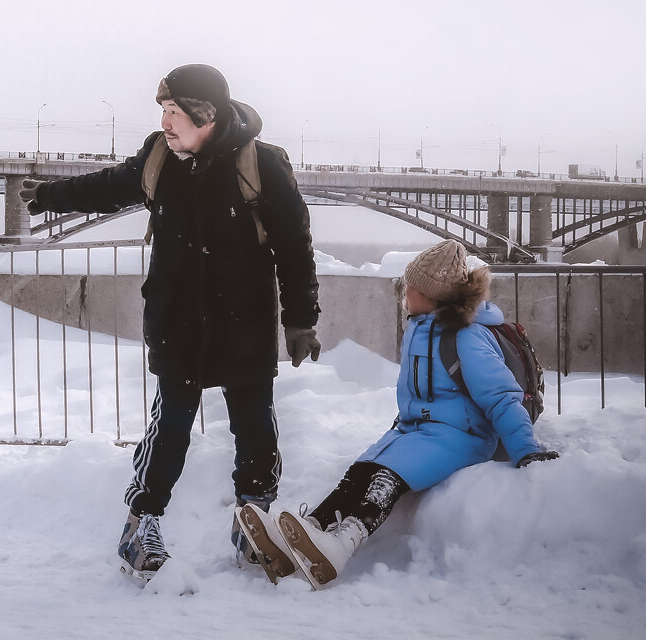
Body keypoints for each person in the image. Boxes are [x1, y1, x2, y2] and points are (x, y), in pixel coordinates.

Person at [18, 63, 322, 581]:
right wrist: (51, 198)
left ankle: (254, 517)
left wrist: (300, 319)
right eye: (162, 109)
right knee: (171, 427)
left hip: (243, 321)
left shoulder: (260, 165)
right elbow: (110, 186)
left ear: (205, 114)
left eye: (174, 110)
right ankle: (143, 523)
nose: (165, 120)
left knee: (255, 427)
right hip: (177, 320)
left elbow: (294, 249)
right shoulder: (160, 156)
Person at [237, 239, 559, 589]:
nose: (406, 292)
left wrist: (527, 449)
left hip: (463, 436)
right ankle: (309, 530)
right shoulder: (421, 328)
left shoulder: (468, 337)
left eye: (414, 287)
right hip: (418, 431)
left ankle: (342, 543)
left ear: (434, 296)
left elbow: (501, 397)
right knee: (359, 474)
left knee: (386, 479)